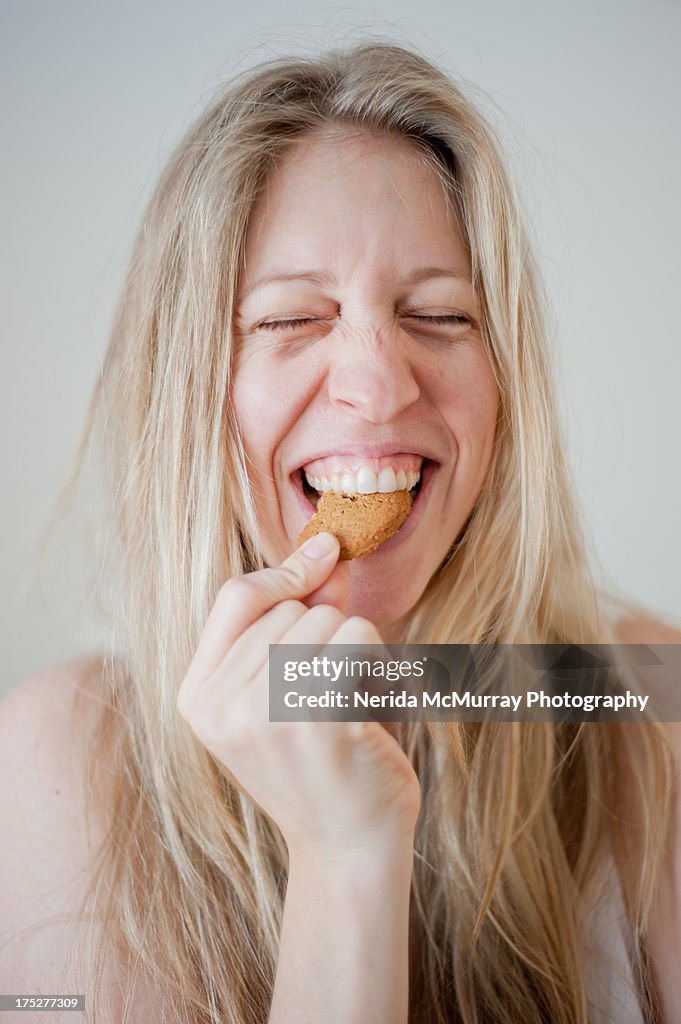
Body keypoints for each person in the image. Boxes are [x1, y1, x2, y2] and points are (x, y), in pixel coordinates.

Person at [1, 40, 680, 1024]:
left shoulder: (646, 696)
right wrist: (347, 854)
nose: (379, 380)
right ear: (192, 388)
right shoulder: (61, 759)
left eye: (441, 313)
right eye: (288, 319)